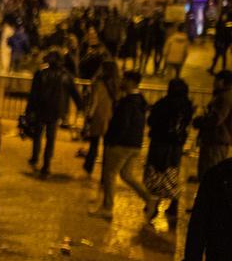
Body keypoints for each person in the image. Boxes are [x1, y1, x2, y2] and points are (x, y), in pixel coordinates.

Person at [93, 71, 153, 219]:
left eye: (124, 79)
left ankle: (107, 208)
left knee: (110, 175)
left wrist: (112, 141)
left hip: (121, 145)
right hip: (135, 145)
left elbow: (122, 125)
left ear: (131, 82)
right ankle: (149, 199)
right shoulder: (140, 101)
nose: (121, 81)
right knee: (127, 175)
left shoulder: (128, 102)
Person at [26, 51, 82, 178]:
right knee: (50, 139)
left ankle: (35, 157)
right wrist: (80, 107)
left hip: (41, 109)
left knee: (38, 135)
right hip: (56, 111)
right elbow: (75, 94)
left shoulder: (40, 74)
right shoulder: (66, 76)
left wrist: (29, 110)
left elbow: (33, 95)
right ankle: (46, 165)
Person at [143, 78, 193, 219]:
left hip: (160, 143)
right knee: (171, 174)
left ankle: (153, 205)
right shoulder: (187, 105)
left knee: (156, 174)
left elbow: (151, 121)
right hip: (176, 146)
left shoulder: (163, 104)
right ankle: (173, 204)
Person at [82, 60, 119, 176]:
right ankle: (105, 172)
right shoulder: (117, 84)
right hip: (112, 117)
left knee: (94, 143)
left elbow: (94, 101)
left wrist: (89, 116)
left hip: (98, 116)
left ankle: (89, 166)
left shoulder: (98, 83)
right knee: (107, 147)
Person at [195, 71, 232, 180]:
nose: (214, 82)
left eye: (216, 80)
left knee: (210, 172)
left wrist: (199, 122)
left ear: (222, 81)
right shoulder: (223, 95)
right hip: (217, 139)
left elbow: (215, 119)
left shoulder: (225, 98)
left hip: (216, 140)